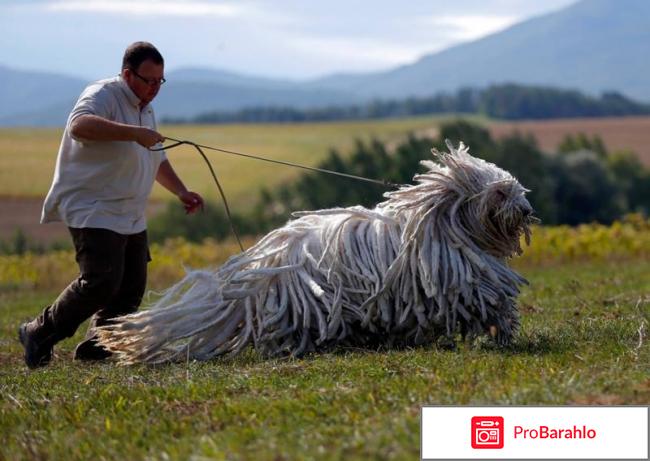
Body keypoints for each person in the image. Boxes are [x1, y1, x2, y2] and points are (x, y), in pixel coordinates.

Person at [18, 41, 204, 368]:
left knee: (131, 287)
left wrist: (181, 191)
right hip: (93, 205)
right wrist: (134, 133)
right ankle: (38, 332)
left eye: (160, 81)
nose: (154, 88)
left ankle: (98, 346)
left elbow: (155, 159)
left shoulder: (146, 107)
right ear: (127, 74)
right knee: (101, 281)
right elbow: (79, 125)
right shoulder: (103, 95)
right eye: (149, 80)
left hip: (130, 211)